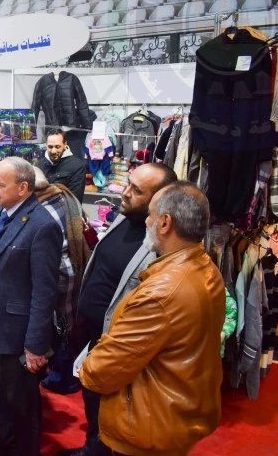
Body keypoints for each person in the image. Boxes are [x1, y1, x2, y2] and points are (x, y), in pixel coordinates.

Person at [79, 182, 225, 456]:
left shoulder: (162, 293)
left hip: (147, 425)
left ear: (165, 223)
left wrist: (86, 364)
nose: (147, 221)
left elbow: (101, 373)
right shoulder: (206, 268)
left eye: (151, 214)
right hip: (176, 413)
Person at [65, 163, 177, 456]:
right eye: (128, 183)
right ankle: (92, 449)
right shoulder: (124, 218)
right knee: (93, 403)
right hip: (94, 337)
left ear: (160, 199)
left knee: (114, 414)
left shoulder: (160, 244)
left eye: (136, 190)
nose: (125, 193)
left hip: (120, 346)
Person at [0, 157, 64, 456]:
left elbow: (45, 292)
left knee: (21, 410)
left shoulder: (42, 225)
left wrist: (35, 345)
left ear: (23, 188)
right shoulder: (4, 211)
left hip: (17, 336)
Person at [32, 166, 88, 395]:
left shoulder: (41, 208)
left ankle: (62, 377)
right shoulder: (62, 194)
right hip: (72, 267)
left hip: (57, 272)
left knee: (59, 327)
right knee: (67, 323)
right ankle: (66, 372)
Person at [35, 129, 87, 203]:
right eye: (50, 147)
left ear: (65, 144)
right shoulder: (39, 165)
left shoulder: (77, 166)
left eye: (57, 147)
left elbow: (74, 200)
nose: (53, 151)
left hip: (65, 209)